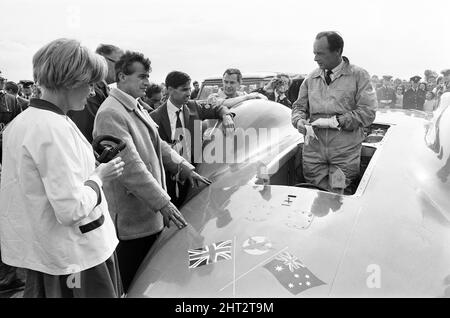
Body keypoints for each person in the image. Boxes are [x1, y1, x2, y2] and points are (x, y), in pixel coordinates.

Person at [0, 38, 125, 298]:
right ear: (71, 80)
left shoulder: (23, 123)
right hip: (77, 258)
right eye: (89, 84)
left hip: (51, 254)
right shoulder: (52, 128)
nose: (92, 92)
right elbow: (71, 208)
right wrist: (99, 178)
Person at [93, 51, 212, 292]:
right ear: (122, 77)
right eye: (142, 76)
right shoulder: (111, 113)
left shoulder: (134, 106)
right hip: (133, 220)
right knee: (134, 282)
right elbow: (131, 167)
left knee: (150, 280)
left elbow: (160, 145)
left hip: (148, 213)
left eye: (148, 76)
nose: (147, 82)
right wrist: (164, 203)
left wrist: (183, 167)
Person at [291, 31, 377, 194]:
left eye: (320, 53)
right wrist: (299, 121)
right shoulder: (311, 78)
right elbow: (298, 107)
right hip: (313, 153)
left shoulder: (358, 76)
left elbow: (368, 112)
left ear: (337, 51)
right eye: (314, 53)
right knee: (314, 196)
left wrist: (337, 121)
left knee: (339, 197)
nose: (315, 58)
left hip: (344, 154)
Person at [150, 71, 234, 207]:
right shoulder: (154, 118)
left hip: (196, 174)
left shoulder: (193, 107)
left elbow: (219, 108)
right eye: (184, 89)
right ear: (170, 90)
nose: (189, 93)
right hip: (171, 180)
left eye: (189, 89)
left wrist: (226, 116)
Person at [68, 44, 124, 142]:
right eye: (120, 64)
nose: (123, 69)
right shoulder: (90, 91)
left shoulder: (101, 89)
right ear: (103, 60)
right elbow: (85, 133)